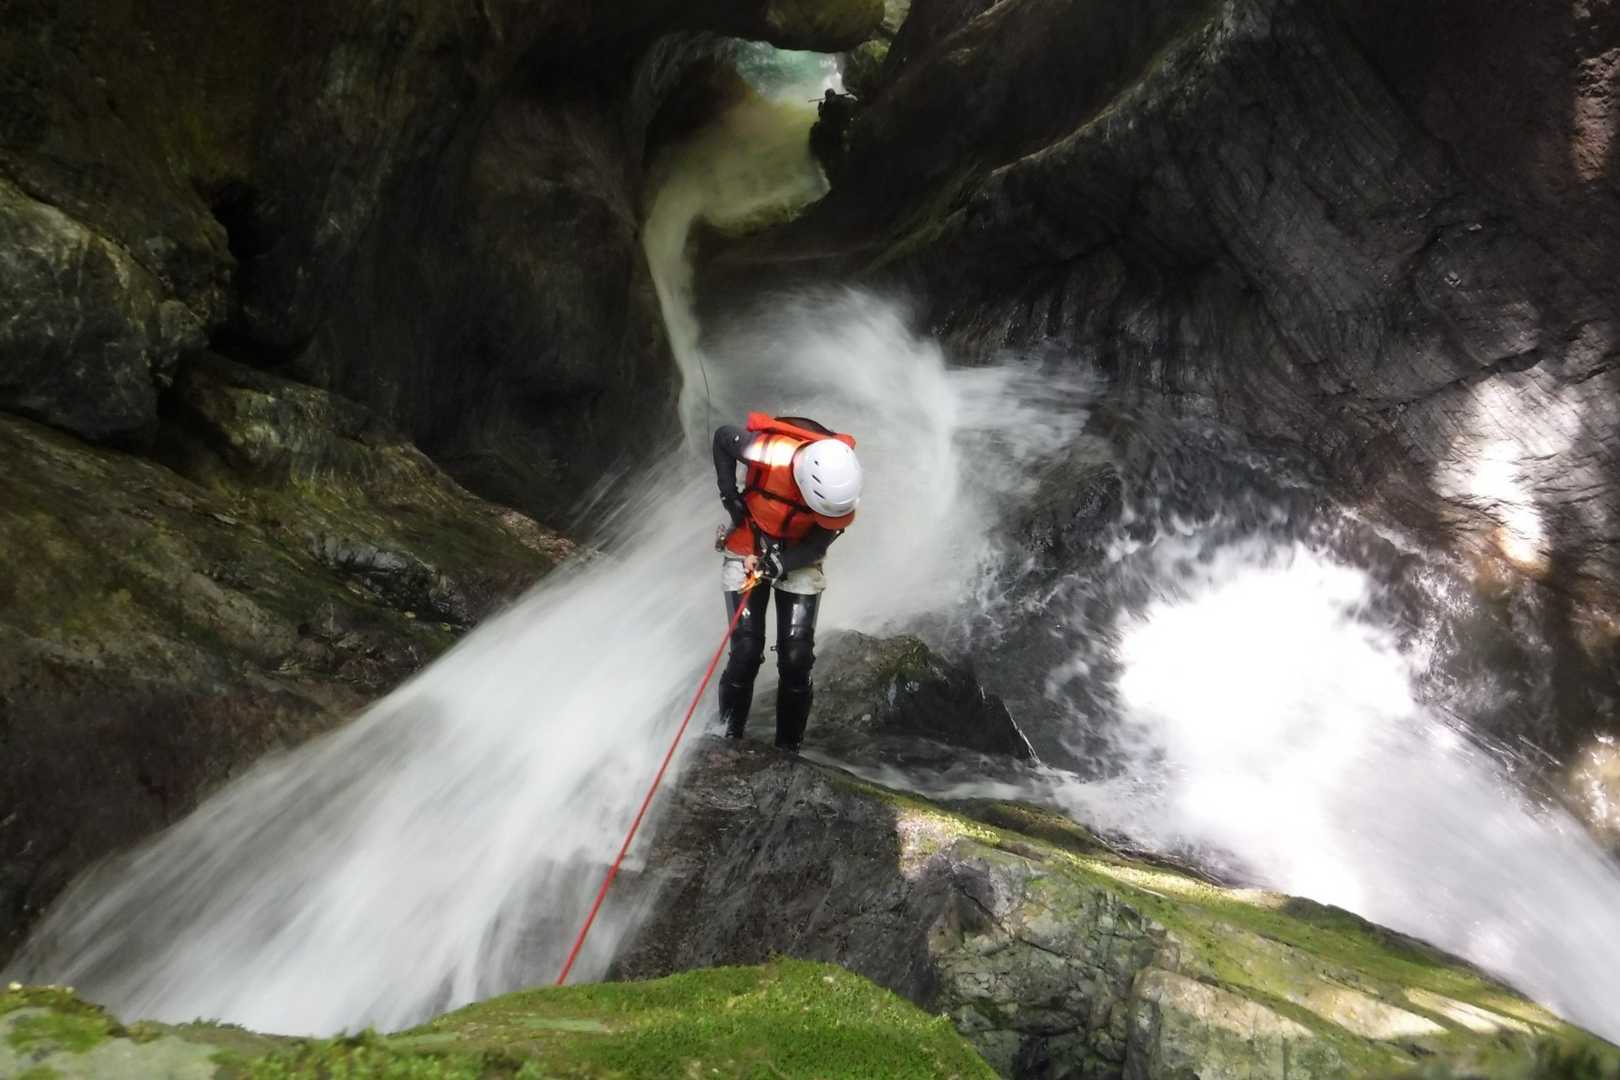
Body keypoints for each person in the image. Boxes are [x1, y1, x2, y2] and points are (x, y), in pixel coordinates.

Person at [712, 412, 863, 752]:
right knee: (746, 650)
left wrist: (779, 564)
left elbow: (818, 544)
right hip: (749, 541)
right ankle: (726, 740)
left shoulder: (843, 487)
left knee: (796, 657)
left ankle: (788, 749)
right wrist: (729, 497)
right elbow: (723, 437)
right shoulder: (768, 452)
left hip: (800, 553)